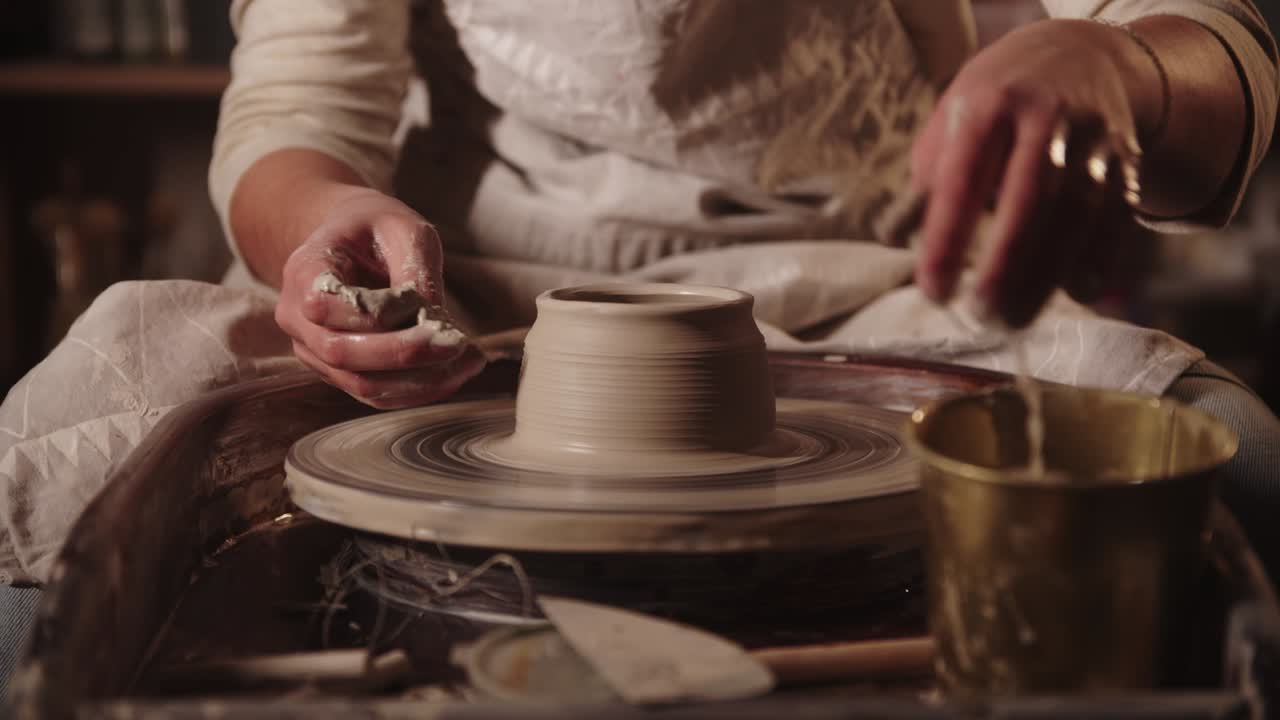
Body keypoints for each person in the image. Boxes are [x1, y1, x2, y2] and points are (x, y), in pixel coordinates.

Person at [0, 0, 1277, 693]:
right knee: (57, 464)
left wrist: (1109, 57)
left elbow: (1210, 66)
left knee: (1237, 463)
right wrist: (324, 228)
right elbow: (293, 113)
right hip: (465, 284)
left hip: (855, 291)